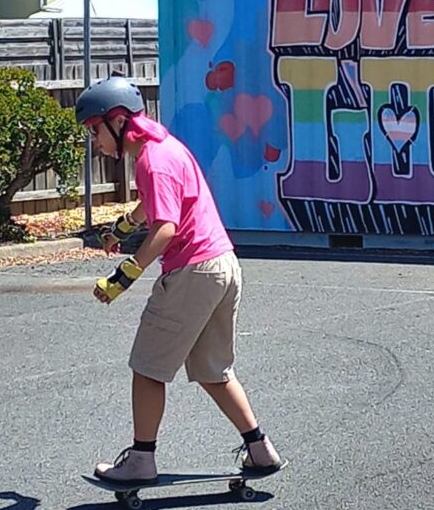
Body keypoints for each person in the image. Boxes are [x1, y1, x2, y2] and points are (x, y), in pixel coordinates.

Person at [74, 75, 284, 485]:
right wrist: (122, 227)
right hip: (222, 265)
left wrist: (122, 277)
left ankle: (141, 460)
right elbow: (155, 205)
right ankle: (260, 448)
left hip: (192, 272)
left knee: (148, 366)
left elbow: (166, 227)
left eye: (94, 130)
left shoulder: (151, 161)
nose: (94, 142)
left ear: (117, 122)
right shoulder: (166, 148)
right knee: (213, 369)